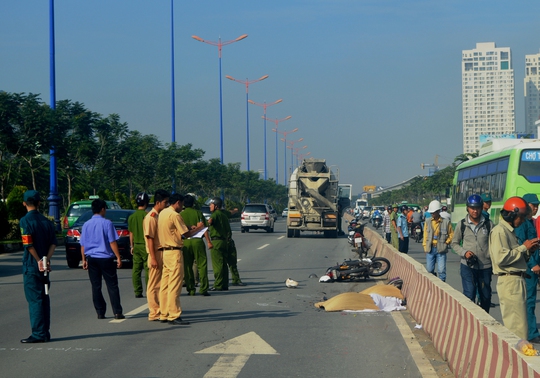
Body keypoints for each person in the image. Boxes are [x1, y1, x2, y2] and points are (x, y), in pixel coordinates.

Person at [490, 196, 539, 340]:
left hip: (517, 279)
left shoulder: (510, 231)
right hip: (510, 281)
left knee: (521, 325)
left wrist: (529, 251)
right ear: (511, 215)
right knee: (516, 329)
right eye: (521, 217)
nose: (523, 220)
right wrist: (524, 247)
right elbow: (501, 258)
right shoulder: (500, 231)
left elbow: (515, 257)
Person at [157, 193, 204, 325]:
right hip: (174, 251)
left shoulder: (163, 213)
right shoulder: (175, 215)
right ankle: (174, 314)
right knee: (174, 285)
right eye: (181, 204)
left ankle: (164, 313)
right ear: (178, 202)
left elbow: (176, 229)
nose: (182, 207)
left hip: (165, 251)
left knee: (165, 285)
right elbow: (186, 234)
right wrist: (199, 228)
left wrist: (190, 227)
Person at [19, 190, 57, 343]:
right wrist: (46, 260)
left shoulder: (25, 221)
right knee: (44, 298)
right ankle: (45, 332)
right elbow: (53, 243)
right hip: (44, 267)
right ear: (39, 203)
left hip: (31, 265)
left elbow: (28, 244)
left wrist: (38, 260)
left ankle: (38, 333)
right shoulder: (46, 222)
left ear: (24, 204)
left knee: (35, 300)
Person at [80, 199, 124, 320]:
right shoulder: (107, 223)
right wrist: (118, 257)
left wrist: (83, 259)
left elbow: (83, 244)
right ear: (103, 209)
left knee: (96, 286)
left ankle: (100, 312)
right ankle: (117, 311)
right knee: (112, 285)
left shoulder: (86, 224)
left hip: (91, 258)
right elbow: (112, 242)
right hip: (105, 258)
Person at [451, 194, 494, 313]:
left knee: (485, 297)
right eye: (472, 208)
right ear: (467, 208)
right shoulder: (462, 225)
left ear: (481, 208)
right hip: (467, 266)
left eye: (477, 208)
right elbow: (454, 243)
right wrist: (464, 253)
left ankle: (484, 323)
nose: (475, 211)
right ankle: (469, 321)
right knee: (469, 295)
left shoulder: (488, 224)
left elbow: (494, 244)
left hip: (485, 266)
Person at [515, 193, 540, 342]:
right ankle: (531, 333)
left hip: (534, 265)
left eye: (537, 205)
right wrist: (532, 265)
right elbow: (522, 246)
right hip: (528, 267)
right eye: (533, 205)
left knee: (530, 300)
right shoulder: (522, 223)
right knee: (529, 301)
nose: (535, 208)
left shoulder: (531, 222)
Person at [143, 189, 169, 322]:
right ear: (158, 202)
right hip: (155, 253)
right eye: (165, 202)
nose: (167, 205)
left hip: (162, 252)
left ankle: (161, 308)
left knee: (161, 283)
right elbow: (150, 239)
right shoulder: (151, 217)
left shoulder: (159, 216)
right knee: (154, 284)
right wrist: (153, 258)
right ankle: (154, 312)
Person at [180, 194, 212, 296]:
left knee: (187, 266)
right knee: (202, 265)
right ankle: (204, 288)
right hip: (197, 241)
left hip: (186, 242)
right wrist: (208, 241)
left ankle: (191, 289)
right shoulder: (198, 213)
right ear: (193, 203)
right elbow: (204, 229)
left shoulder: (180, 215)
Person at [423, 200, 454, 282]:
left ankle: (442, 285)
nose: (432, 214)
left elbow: (451, 234)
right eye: (431, 212)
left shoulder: (446, 222)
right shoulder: (428, 221)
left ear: (438, 211)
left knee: (441, 270)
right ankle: (433, 281)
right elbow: (425, 235)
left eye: (433, 212)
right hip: (430, 248)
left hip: (441, 249)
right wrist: (425, 247)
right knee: (429, 270)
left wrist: (447, 242)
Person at [208, 197, 232, 291]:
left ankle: (218, 284)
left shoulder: (215, 214)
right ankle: (224, 284)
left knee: (217, 264)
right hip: (224, 242)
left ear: (216, 206)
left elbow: (210, 221)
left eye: (211, 205)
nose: (210, 206)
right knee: (224, 264)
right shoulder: (224, 215)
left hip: (216, 241)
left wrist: (205, 224)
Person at [128, 192, 149, 298]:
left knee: (136, 269)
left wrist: (131, 246)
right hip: (146, 245)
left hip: (136, 245)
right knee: (148, 269)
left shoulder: (132, 217)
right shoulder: (148, 216)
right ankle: (149, 290)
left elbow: (131, 233)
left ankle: (137, 291)